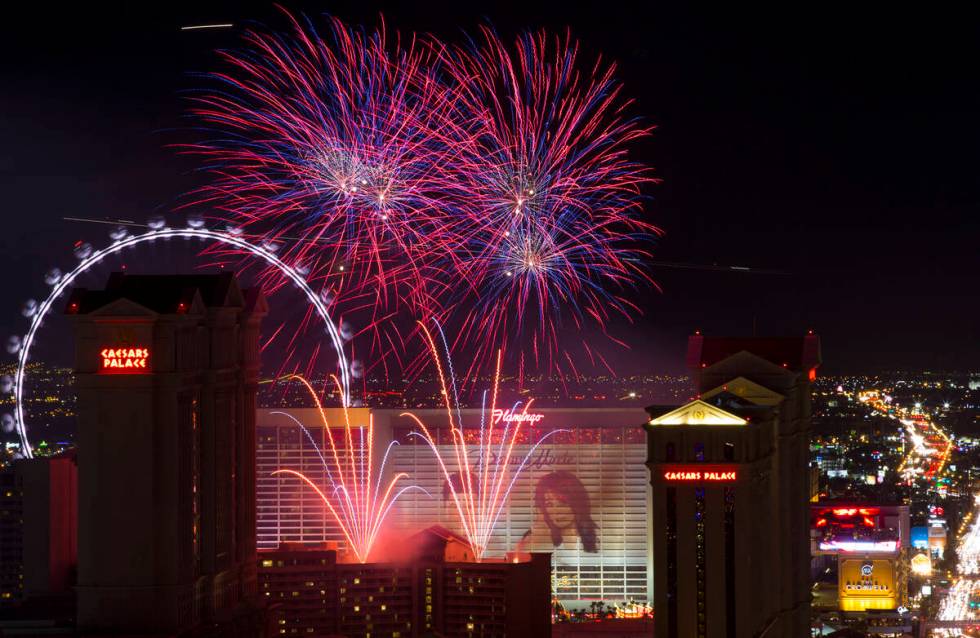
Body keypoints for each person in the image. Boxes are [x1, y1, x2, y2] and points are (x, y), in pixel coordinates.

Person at [521, 470, 598, 552]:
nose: (556, 511)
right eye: (549, 504)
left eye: (563, 503)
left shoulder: (596, 538)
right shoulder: (534, 539)